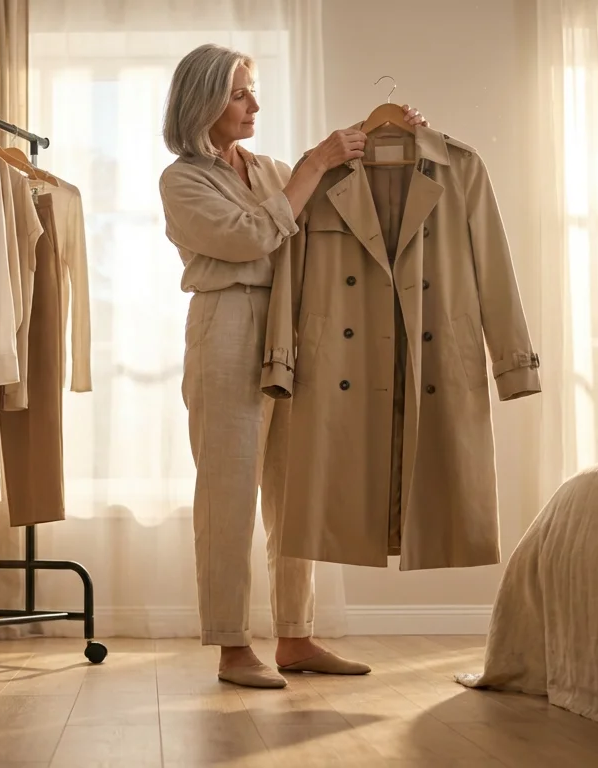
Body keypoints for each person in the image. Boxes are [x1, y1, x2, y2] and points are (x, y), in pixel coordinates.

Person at [158, 43, 427, 689]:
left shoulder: (271, 168)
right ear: (204, 101)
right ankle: (230, 647)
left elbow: (336, 209)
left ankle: (296, 637)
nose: (255, 104)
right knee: (228, 493)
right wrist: (313, 161)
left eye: (252, 90)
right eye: (240, 92)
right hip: (227, 326)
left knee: (296, 488)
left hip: (294, 328)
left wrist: (390, 142)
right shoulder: (183, 180)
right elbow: (251, 238)